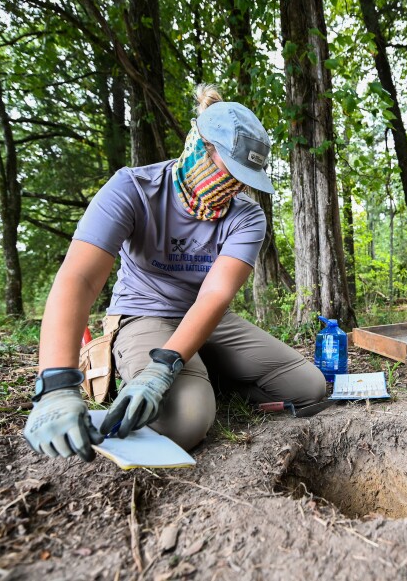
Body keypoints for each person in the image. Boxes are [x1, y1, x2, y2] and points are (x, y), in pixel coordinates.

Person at [23, 85, 327, 462]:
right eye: (229, 170)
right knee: (186, 422)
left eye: (244, 177)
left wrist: (166, 366)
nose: (234, 185)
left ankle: (198, 378)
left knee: (309, 389)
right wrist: (55, 382)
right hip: (143, 313)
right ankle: (175, 383)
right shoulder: (132, 188)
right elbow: (79, 279)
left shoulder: (247, 216)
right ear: (200, 148)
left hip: (208, 317)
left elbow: (214, 296)